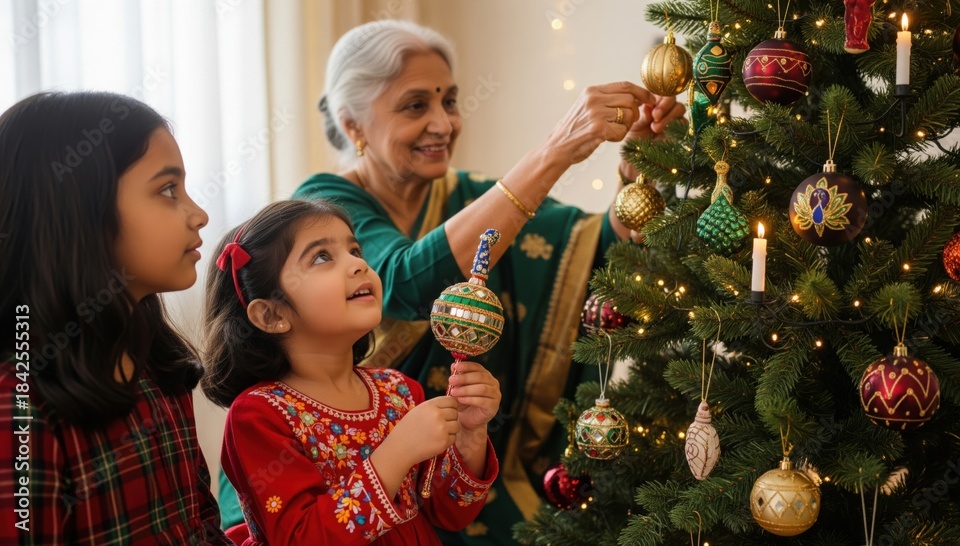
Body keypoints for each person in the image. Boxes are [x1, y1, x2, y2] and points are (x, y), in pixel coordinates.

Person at [218, 19, 686, 544]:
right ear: (352, 124)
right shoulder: (324, 209)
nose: (442, 123)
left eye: (450, 101)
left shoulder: (399, 392)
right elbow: (409, 284)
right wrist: (554, 150)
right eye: (416, 105)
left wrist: (637, 174)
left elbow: (593, 251)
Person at [0, 92, 230, 544]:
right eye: (167, 189)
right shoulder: (20, 407)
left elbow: (201, 525)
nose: (199, 214)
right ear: (79, 209)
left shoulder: (159, 368)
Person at [201, 199, 502, 545]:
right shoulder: (258, 416)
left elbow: (450, 513)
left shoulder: (400, 390)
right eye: (322, 257)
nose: (358, 265)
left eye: (355, 250)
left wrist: (471, 434)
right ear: (271, 315)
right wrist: (398, 451)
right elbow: (302, 538)